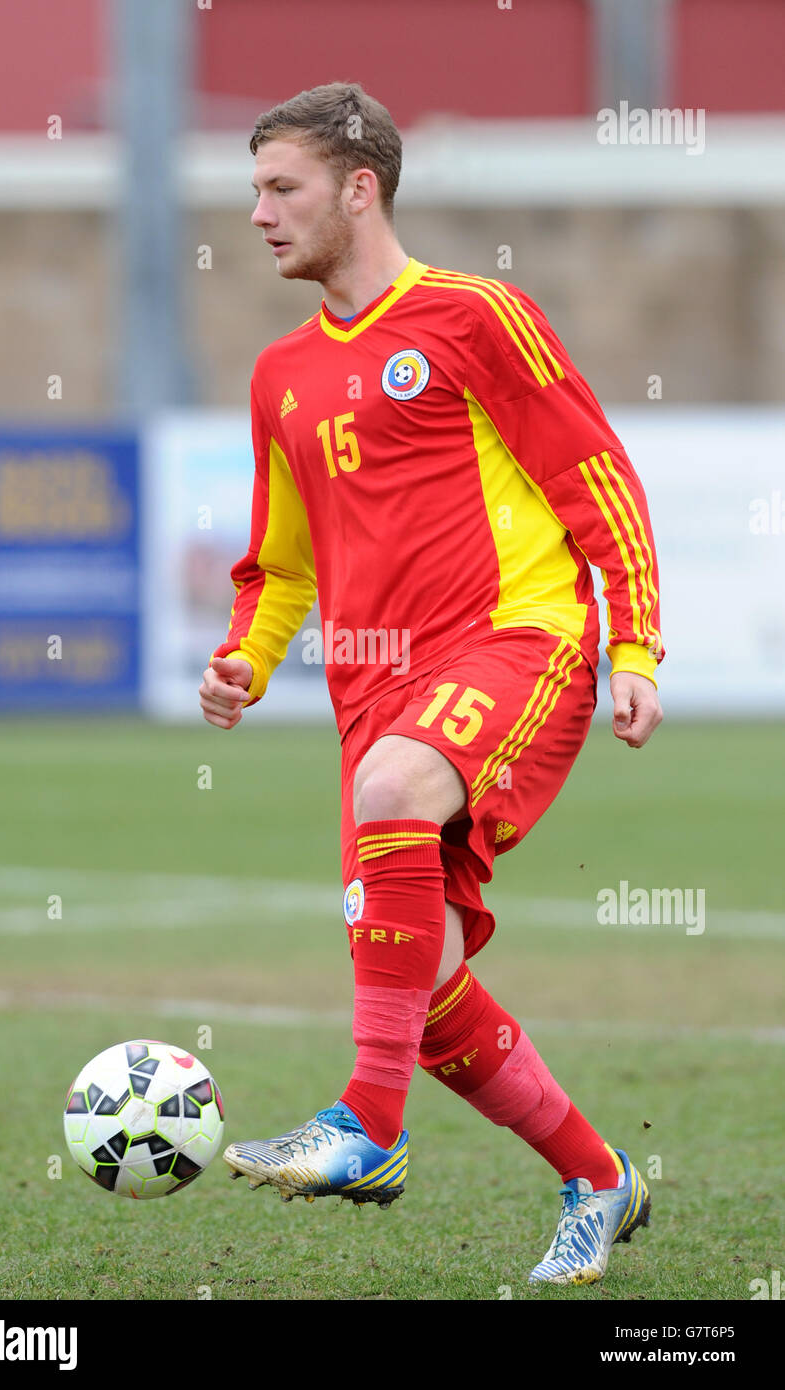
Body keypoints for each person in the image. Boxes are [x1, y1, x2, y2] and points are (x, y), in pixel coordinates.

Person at [199, 82, 664, 1287]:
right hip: (375, 696)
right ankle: (598, 1176)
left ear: (360, 189)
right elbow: (280, 563)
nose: (256, 213)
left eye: (280, 187)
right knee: (426, 960)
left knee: (398, 790)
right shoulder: (282, 375)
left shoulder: (474, 315)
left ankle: (366, 1124)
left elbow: (596, 477)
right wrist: (249, 654)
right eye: (253, 189)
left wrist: (633, 644)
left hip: (519, 639)